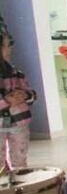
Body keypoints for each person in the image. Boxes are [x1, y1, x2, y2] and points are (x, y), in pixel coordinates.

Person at [0, 29, 35, 168]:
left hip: (19, 123)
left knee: (19, 160)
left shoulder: (16, 72)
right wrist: (6, 101)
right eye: (6, 46)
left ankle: (20, 186)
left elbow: (29, 92)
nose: (9, 49)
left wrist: (26, 95)